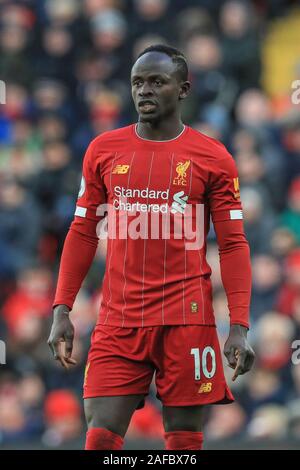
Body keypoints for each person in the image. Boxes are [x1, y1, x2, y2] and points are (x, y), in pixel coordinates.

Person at [48, 44, 255, 451]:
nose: (144, 90)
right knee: (101, 440)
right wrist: (62, 308)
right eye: (137, 82)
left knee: (183, 443)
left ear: (183, 89)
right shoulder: (103, 150)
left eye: (157, 82)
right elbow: (82, 231)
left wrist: (239, 326)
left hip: (186, 319)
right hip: (118, 320)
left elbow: (233, 245)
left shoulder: (213, 158)